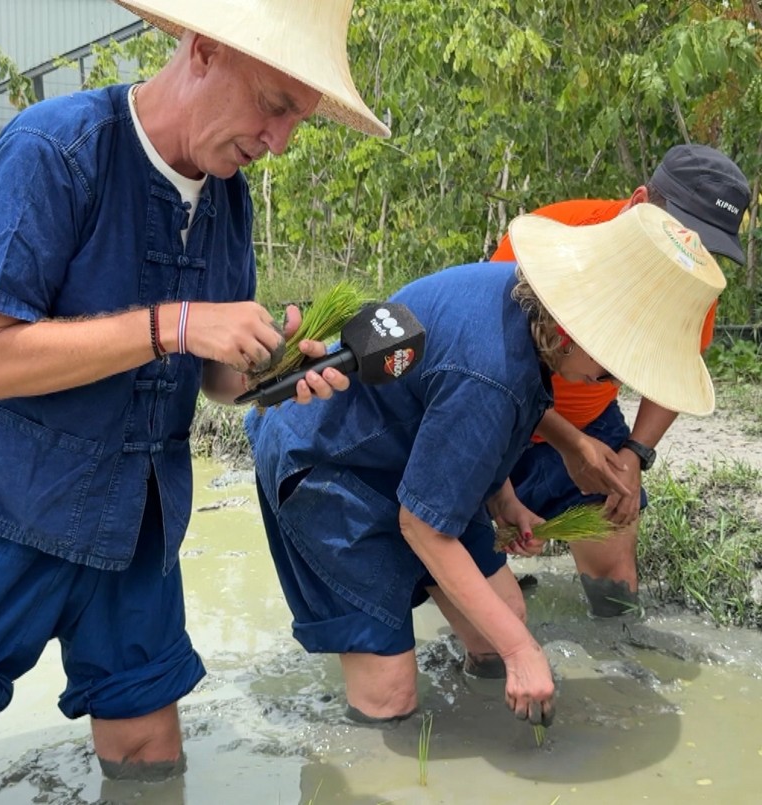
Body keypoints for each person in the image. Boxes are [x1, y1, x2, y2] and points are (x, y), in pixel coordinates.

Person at [0, 1, 389, 801]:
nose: (278, 140)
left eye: (297, 122)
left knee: (149, 759)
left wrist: (269, 373)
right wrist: (176, 324)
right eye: (275, 106)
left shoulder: (227, 199)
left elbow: (213, 379)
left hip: (135, 522)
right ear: (205, 50)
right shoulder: (54, 150)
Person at [247, 204, 725, 726]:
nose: (609, 384)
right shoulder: (492, 373)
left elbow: (461, 429)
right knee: (392, 697)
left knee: (500, 629)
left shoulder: (523, 310)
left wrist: (504, 499)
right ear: (568, 331)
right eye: (609, 367)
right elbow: (423, 525)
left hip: (409, 458)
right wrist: (525, 652)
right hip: (329, 468)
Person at [488, 145, 750, 616]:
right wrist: (569, 444)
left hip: (589, 418)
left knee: (614, 581)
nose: (687, 255)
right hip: (494, 413)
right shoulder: (548, 244)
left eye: (704, 248)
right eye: (679, 235)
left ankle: (619, 659)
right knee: (482, 597)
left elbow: (677, 373)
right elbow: (488, 372)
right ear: (639, 201)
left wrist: (634, 453)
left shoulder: (694, 280)